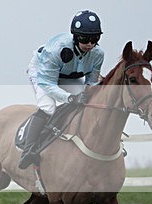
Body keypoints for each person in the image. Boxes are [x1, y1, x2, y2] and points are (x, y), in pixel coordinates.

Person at [19, 10, 105, 169]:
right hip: (43, 73)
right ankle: (28, 150)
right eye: (85, 39)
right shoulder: (56, 50)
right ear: (75, 36)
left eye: (95, 39)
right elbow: (48, 84)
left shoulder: (98, 54)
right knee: (48, 107)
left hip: (68, 75)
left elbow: (91, 82)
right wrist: (69, 98)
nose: (90, 44)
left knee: (83, 104)